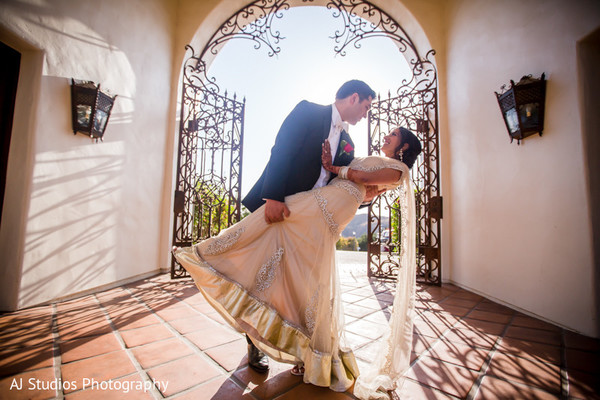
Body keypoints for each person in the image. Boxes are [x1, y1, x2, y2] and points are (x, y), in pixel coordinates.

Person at [174, 126, 422, 399]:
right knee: (288, 253)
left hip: (331, 208)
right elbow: (364, 188)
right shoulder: (371, 155)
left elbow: (361, 179)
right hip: (327, 200)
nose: (387, 135)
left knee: (293, 247)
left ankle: (310, 351)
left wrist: (333, 166)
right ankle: (218, 256)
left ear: (405, 146)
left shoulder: (399, 170)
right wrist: (347, 180)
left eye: (394, 135)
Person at [241, 79, 376, 372]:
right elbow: (282, 150)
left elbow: (343, 181)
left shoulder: (348, 141)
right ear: (354, 97)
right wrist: (273, 196)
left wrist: (367, 192)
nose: (365, 114)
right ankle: (255, 343)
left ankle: (299, 345)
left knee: (300, 286)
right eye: (365, 106)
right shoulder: (308, 111)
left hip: (311, 223)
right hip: (282, 209)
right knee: (267, 279)